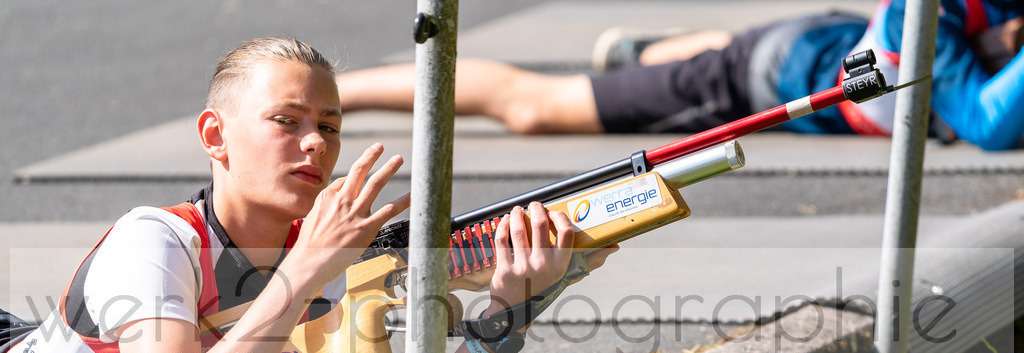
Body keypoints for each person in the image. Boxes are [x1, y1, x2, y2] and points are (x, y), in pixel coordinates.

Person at [0, 37, 613, 353]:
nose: (315, 142)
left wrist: (509, 311)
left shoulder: (317, 271)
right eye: (285, 121)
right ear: (215, 136)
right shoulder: (157, 243)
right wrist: (300, 275)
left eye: (329, 124)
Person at [335, 0, 1024, 150]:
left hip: (826, 40)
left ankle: (652, 53)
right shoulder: (926, 19)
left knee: (717, 52)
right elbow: (991, 126)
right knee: (534, 105)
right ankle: (342, 89)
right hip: (760, 74)